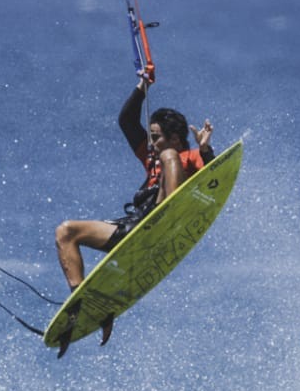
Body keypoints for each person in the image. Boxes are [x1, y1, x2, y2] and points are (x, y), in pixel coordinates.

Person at [52, 76, 214, 352]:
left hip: (165, 217)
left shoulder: (189, 156)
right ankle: (82, 303)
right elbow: (127, 121)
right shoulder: (152, 157)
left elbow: (214, 176)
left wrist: (206, 149)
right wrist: (143, 87)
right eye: (150, 138)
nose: (150, 144)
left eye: (157, 138)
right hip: (138, 224)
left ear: (175, 138)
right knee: (65, 231)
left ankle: (168, 215)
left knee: (168, 157)